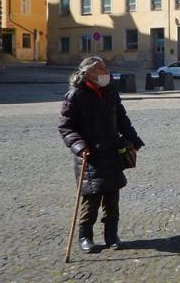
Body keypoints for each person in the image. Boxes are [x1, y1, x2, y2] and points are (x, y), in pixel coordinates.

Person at [58, 56, 144, 253]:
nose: (106, 71)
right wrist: (80, 147)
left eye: (105, 67)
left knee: (112, 197)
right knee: (92, 198)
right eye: (100, 69)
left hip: (113, 151)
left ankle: (111, 235)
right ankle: (85, 236)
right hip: (90, 155)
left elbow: (122, 119)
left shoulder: (110, 92)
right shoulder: (76, 95)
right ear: (88, 74)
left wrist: (134, 140)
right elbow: (65, 127)